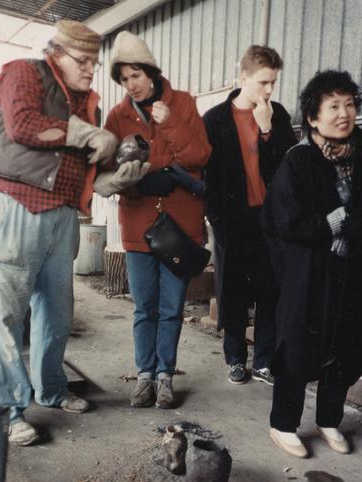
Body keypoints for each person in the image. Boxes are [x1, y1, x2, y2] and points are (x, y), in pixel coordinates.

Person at [0, 21, 146, 446]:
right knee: (7, 315)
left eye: (94, 61)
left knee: (56, 310)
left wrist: (111, 182)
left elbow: (81, 166)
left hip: (63, 212)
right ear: (56, 55)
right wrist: (88, 133)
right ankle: (10, 410)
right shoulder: (25, 72)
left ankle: (51, 389)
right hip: (16, 204)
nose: (91, 69)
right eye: (83, 61)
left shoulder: (86, 101)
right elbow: (22, 125)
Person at [94, 31, 211, 409]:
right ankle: (144, 375)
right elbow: (108, 172)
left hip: (178, 225)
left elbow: (200, 156)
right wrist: (136, 183)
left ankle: (165, 377)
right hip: (139, 224)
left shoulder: (184, 104)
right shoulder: (117, 116)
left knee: (172, 307)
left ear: (152, 72)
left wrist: (172, 122)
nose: (131, 85)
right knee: (144, 306)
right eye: (124, 79)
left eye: (136, 76)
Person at [261, 70, 362, 458]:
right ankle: (283, 424)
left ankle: (329, 418)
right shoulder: (299, 159)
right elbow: (281, 219)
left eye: (350, 104)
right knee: (299, 346)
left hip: (353, 270)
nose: (344, 113)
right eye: (333, 106)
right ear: (314, 117)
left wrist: (351, 224)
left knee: (349, 343)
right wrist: (330, 225)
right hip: (310, 272)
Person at [203, 45, 297, 386]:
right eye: (263, 82)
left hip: (270, 222)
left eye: (273, 82)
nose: (269, 90)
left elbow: (289, 170)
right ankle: (234, 359)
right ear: (243, 77)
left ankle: (264, 361)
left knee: (270, 291)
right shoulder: (214, 120)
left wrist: (268, 130)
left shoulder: (279, 115)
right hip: (232, 222)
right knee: (233, 293)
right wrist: (217, 219)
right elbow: (207, 177)